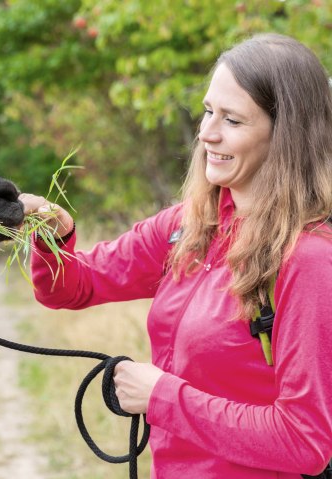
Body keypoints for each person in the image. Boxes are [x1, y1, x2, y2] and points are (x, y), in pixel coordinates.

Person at [20, 33, 332, 478]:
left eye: (233, 120)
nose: (207, 133)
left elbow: (305, 441)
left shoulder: (310, 260)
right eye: (208, 111)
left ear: (285, 136)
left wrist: (162, 396)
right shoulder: (189, 226)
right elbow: (74, 286)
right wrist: (52, 236)